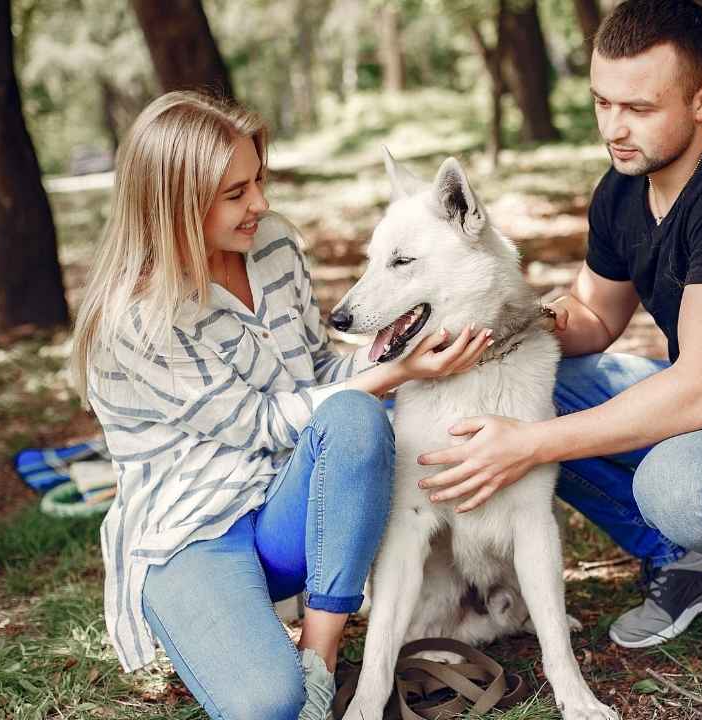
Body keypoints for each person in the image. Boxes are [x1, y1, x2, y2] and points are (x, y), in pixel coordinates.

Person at [415, 0, 702, 692]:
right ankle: (687, 557)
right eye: (603, 101)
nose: (613, 127)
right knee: (525, 376)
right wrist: (508, 318)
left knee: (679, 483)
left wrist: (528, 443)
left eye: (638, 107)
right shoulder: (623, 187)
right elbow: (592, 322)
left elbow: (700, 392)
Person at [69, 91, 494, 720]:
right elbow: (261, 422)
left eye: (259, 180)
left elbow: (318, 373)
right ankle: (249, 644)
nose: (261, 205)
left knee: (353, 419)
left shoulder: (271, 248)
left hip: (290, 510)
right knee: (267, 705)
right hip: (193, 533)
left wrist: (409, 349)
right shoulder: (135, 317)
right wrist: (397, 372)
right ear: (177, 205)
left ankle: (320, 660)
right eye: (236, 193)